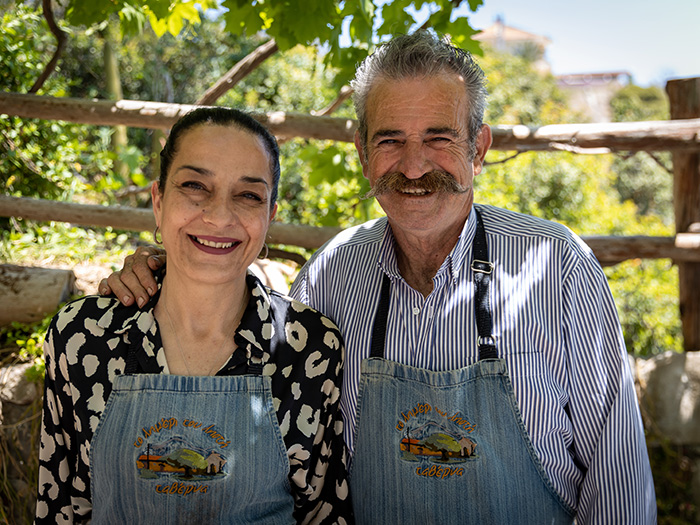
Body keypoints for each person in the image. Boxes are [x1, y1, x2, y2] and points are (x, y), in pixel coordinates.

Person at [100, 32, 656, 523]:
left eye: (439, 138)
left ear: (479, 149)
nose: (414, 166)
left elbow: (619, 487)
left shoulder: (556, 268)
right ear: (363, 152)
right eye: (390, 140)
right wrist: (160, 270)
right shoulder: (333, 276)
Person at [35, 107, 352, 524]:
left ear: (269, 216)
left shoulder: (310, 347)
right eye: (194, 186)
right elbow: (60, 510)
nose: (220, 216)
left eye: (249, 195)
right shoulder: (82, 338)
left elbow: (323, 516)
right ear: (158, 200)